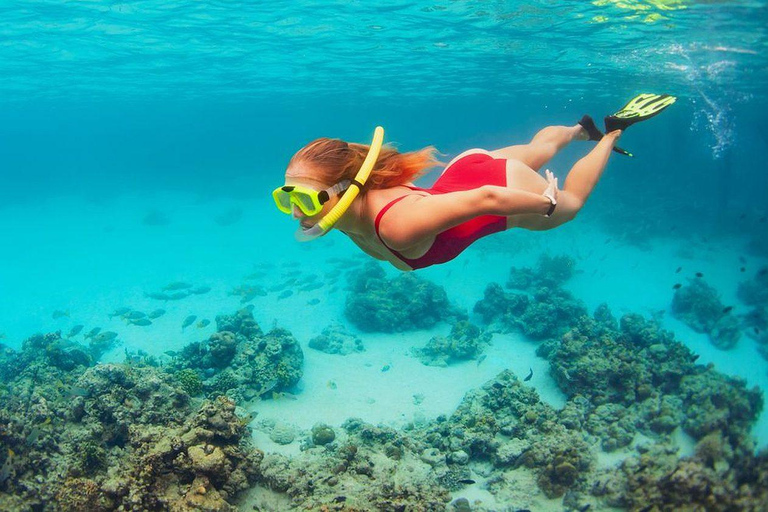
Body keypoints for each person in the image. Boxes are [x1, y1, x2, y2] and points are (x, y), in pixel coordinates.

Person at [273, 94, 676, 271]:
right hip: (467, 171)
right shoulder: (345, 211)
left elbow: (485, 198)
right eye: (285, 197)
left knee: (573, 204)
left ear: (347, 188)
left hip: (493, 188)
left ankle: (611, 132)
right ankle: (578, 130)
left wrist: (545, 203)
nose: (294, 212)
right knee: (537, 149)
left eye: (307, 200)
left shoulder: (394, 225)